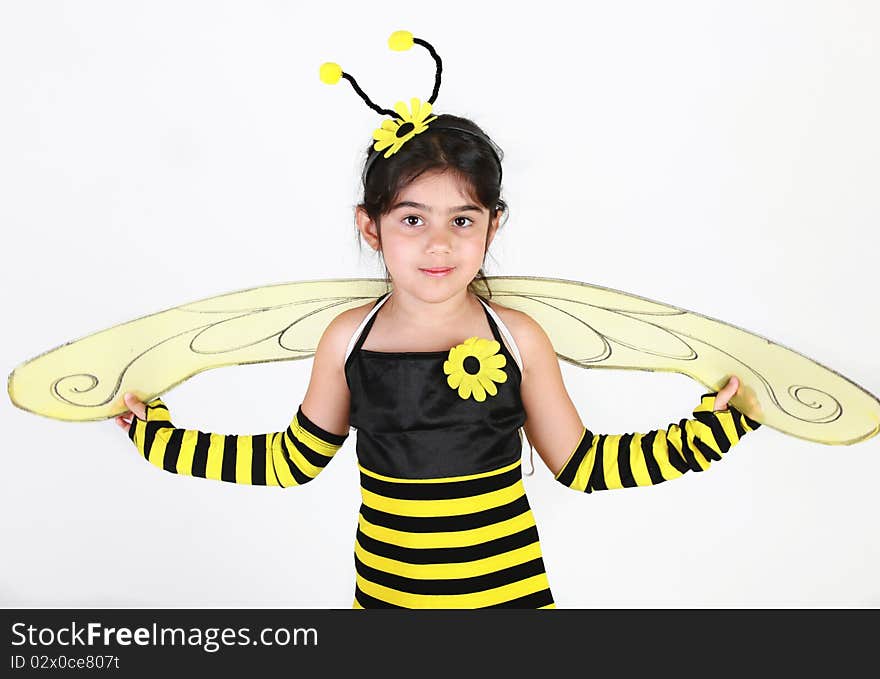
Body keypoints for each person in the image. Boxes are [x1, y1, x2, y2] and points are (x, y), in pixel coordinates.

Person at [114, 32, 762, 609]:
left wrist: (712, 429)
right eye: (412, 218)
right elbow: (292, 460)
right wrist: (159, 437)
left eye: (462, 220)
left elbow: (582, 463)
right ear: (370, 226)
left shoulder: (517, 336)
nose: (439, 244)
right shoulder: (348, 341)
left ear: (492, 225)